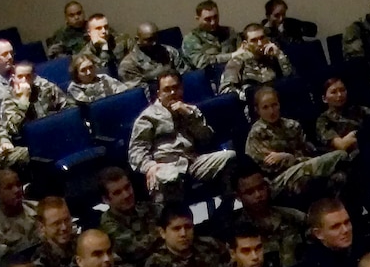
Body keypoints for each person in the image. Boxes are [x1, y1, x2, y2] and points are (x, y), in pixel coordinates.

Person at [128, 71, 239, 201]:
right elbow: (136, 151)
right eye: (167, 90)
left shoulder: (191, 110)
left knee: (230, 157)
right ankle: (172, 217)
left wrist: (189, 116)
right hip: (165, 166)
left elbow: (206, 138)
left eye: (176, 88)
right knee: (167, 178)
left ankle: (227, 207)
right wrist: (150, 166)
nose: (173, 93)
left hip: (193, 162)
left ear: (182, 89)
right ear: (159, 94)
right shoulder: (148, 117)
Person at [245, 85, 347, 199]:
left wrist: (288, 157)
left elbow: (307, 152)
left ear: (279, 105)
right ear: (257, 110)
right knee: (340, 156)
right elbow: (269, 167)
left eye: (274, 105)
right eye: (265, 107)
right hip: (277, 181)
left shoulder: (292, 125)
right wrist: (291, 158)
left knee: (339, 177)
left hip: (304, 168)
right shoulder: (257, 134)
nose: (271, 111)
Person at [140, 205, 232, 267]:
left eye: (188, 227)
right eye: (176, 229)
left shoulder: (210, 245)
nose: (183, 234)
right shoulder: (155, 266)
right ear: (163, 232)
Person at [0, 167, 40, 264]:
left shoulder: (38, 209)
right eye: (9, 187)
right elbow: (8, 266)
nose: (16, 190)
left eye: (18, 184)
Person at [218, 23, 294, 98]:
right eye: (254, 40)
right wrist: (249, 96)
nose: (260, 43)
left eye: (262, 38)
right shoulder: (238, 61)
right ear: (245, 44)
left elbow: (291, 80)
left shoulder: (273, 57)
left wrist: (279, 55)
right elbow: (225, 89)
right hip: (251, 103)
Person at [118, 22, 186, 88]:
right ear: (137, 40)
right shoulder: (128, 65)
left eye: (155, 38)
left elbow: (185, 74)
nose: (154, 43)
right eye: (149, 40)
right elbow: (139, 92)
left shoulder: (169, 51)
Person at [182, 0, 240, 69]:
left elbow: (242, 52)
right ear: (198, 19)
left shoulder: (229, 32)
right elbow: (201, 63)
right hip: (205, 76)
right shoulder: (192, 38)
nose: (213, 22)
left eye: (215, 17)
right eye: (208, 19)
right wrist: (232, 55)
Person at [64, 50, 130, 104]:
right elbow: (92, 106)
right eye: (83, 70)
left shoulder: (104, 78)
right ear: (76, 74)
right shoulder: (74, 88)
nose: (89, 72)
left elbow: (124, 93)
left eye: (91, 67)